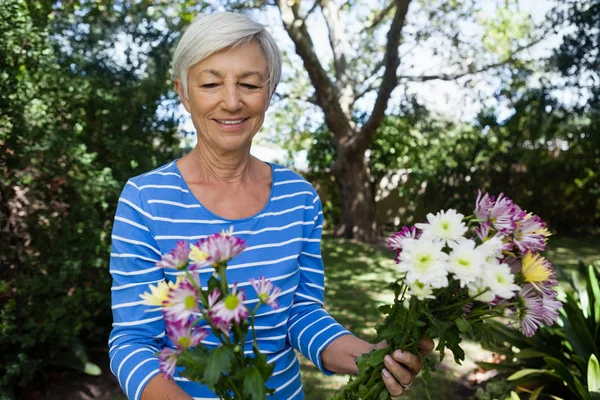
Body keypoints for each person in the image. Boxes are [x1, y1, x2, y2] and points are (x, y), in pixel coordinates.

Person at [108, 12, 433, 400]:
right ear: (184, 92)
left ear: (270, 90)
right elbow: (132, 341)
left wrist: (371, 358)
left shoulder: (298, 197)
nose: (232, 101)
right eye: (211, 83)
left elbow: (299, 314)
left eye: (249, 83)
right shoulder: (145, 200)